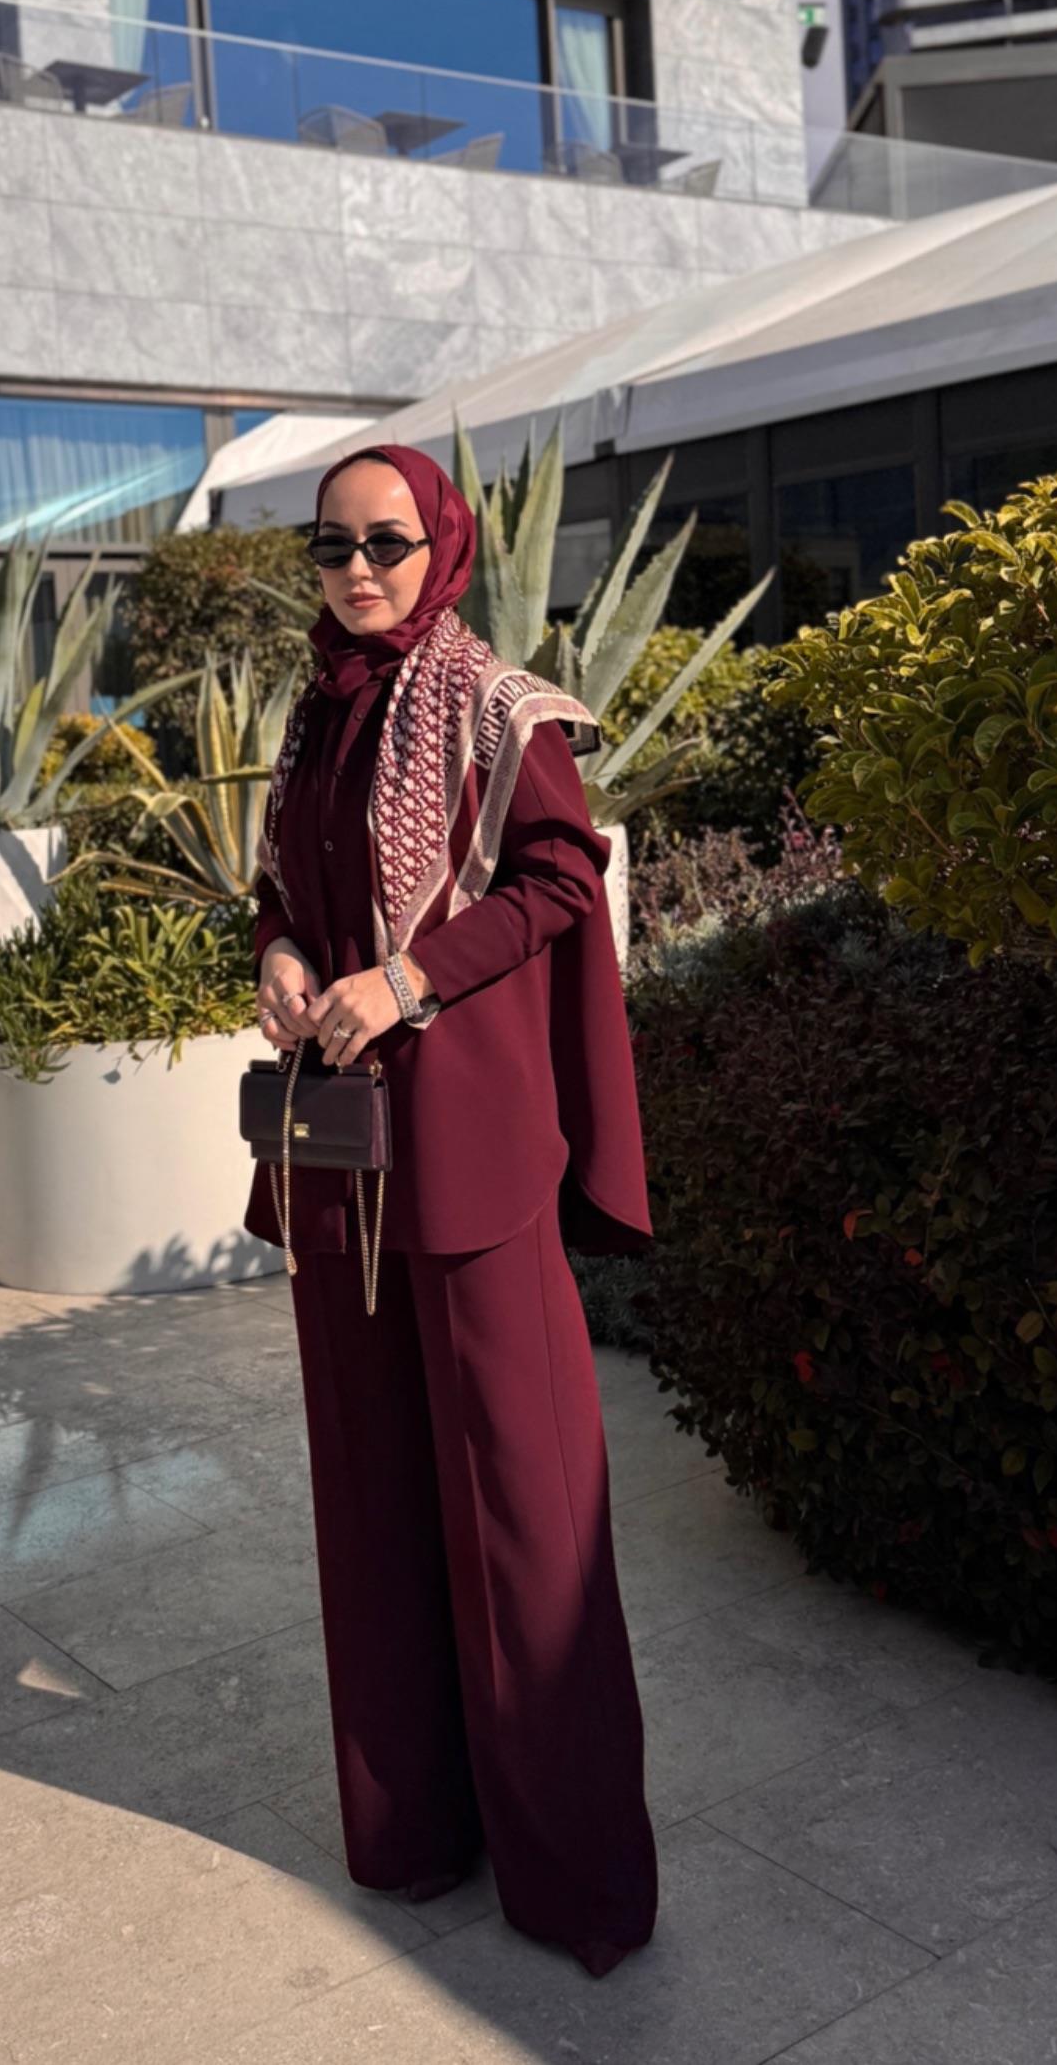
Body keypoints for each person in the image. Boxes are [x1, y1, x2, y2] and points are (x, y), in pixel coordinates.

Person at [243, 441, 659, 1979]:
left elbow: (560, 879)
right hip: (346, 1157)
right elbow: (289, 886)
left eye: (388, 544)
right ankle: (414, 1831)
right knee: (372, 1501)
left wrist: (412, 976)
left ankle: (576, 1880)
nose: (358, 571)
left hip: (473, 1154)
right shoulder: (318, 710)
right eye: (331, 546)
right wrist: (284, 954)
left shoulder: (498, 706)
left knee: (523, 1519)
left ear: (446, 549)